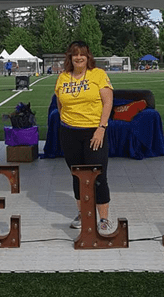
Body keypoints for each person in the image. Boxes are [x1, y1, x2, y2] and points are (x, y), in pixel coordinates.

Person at [54, 40, 114, 235]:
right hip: (69, 133)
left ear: (88, 57)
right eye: (75, 54)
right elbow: (59, 104)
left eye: (82, 54)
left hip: (94, 132)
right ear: (70, 57)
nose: (78, 57)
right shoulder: (63, 77)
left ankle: (103, 218)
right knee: (77, 175)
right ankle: (83, 214)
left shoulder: (98, 75)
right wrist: (67, 123)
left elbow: (107, 103)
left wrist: (101, 128)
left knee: (98, 176)